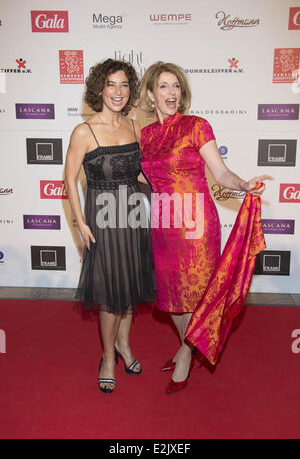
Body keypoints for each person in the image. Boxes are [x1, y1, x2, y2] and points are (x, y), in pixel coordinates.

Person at [139, 61, 272, 394]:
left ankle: (186, 354)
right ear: (151, 94)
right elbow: (145, 178)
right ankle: (189, 346)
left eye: (176, 86)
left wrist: (244, 183)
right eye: (164, 87)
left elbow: (221, 173)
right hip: (163, 224)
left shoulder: (196, 126)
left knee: (197, 296)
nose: (171, 93)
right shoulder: (146, 134)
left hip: (196, 225)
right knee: (171, 298)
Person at [65, 59, 155, 394]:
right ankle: (107, 357)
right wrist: (81, 223)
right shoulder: (83, 132)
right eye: (111, 85)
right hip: (102, 218)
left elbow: (140, 173)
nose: (118, 92)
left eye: (124, 85)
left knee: (129, 287)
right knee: (110, 295)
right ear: (99, 89)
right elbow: (69, 180)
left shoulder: (134, 127)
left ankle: (124, 346)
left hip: (132, 214)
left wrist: (170, 189)